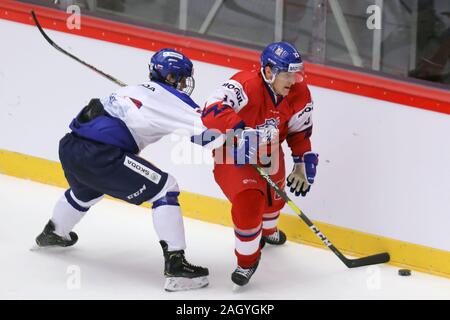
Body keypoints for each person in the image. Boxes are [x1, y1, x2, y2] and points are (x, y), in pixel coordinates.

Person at [35, 48, 209, 292]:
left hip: (70, 147)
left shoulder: (133, 90)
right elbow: (207, 136)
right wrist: (240, 142)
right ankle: (176, 265)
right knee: (166, 188)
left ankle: (53, 233)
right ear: (171, 78)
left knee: (88, 191)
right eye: (181, 78)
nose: (184, 84)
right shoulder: (174, 101)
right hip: (102, 156)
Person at [201, 41, 319, 286]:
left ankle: (268, 231)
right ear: (268, 71)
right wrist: (240, 132)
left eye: (296, 74)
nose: (293, 80)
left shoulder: (300, 92)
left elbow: (299, 131)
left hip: (271, 151)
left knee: (274, 197)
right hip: (232, 153)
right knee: (249, 204)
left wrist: (300, 161)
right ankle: (247, 261)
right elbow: (211, 108)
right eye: (287, 74)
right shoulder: (244, 84)